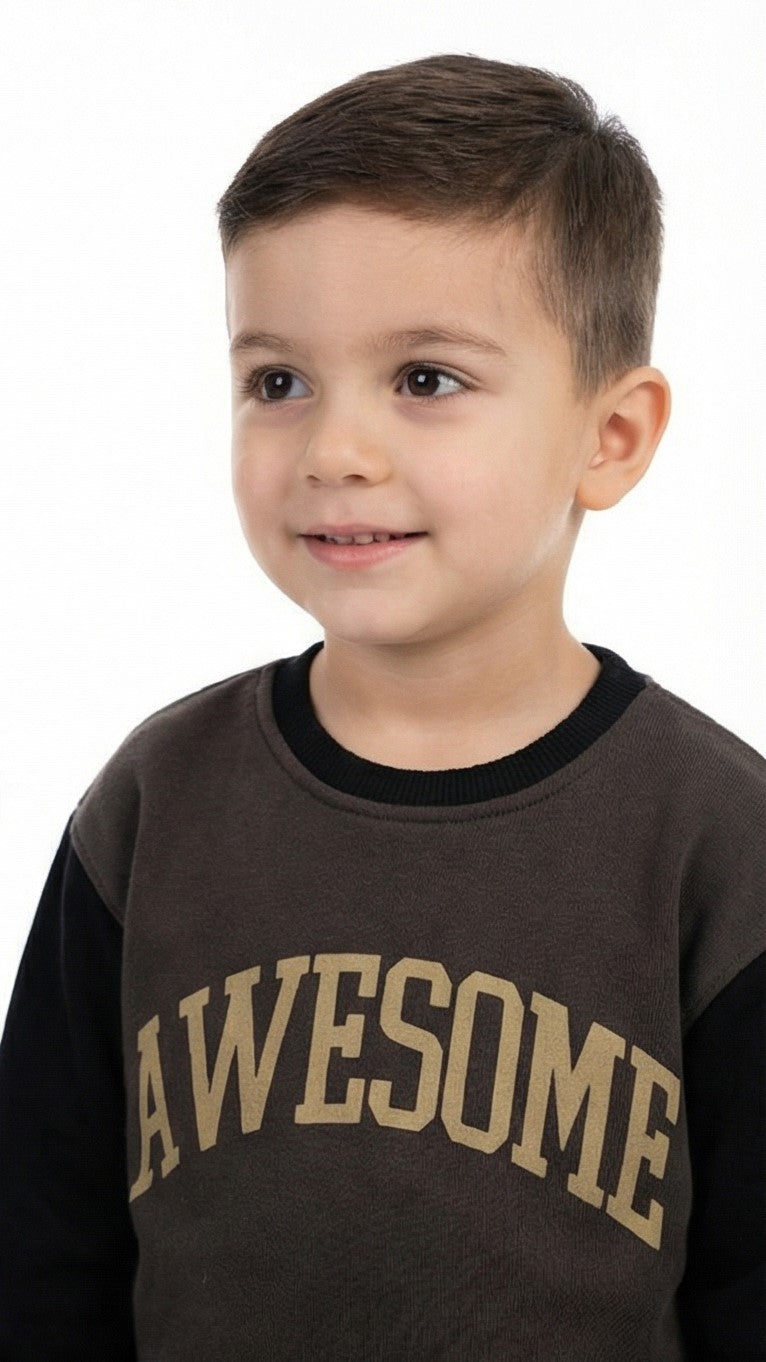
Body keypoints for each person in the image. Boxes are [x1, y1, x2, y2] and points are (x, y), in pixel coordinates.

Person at [0, 52, 763, 1362]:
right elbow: (40, 1247)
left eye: (424, 379)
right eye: (278, 382)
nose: (333, 451)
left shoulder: (715, 838)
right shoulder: (154, 801)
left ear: (611, 436)